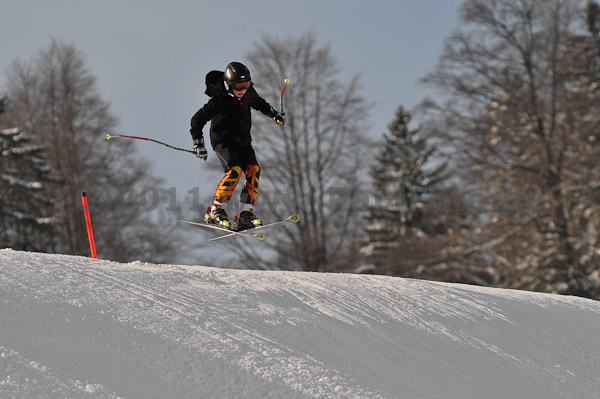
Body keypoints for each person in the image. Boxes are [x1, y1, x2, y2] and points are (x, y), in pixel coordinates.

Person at [190, 61, 285, 231]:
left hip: (243, 141)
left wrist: (274, 114)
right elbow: (197, 120)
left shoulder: (248, 93)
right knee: (235, 171)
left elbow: (259, 103)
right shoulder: (219, 98)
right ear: (228, 84)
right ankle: (216, 210)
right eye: (238, 86)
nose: (242, 90)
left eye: (246, 85)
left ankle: (245, 214)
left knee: (254, 170)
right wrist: (198, 143)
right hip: (223, 141)